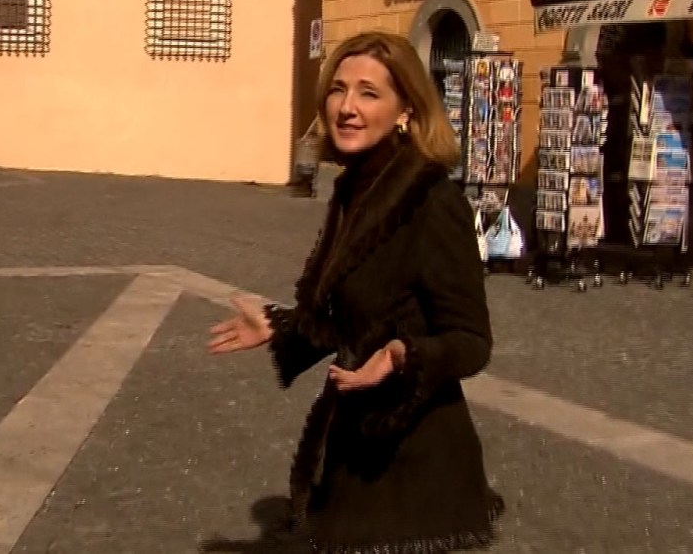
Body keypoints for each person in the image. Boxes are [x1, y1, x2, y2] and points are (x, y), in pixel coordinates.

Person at [207, 31, 504, 553]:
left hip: (414, 469)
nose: (347, 107)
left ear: (406, 109)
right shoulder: (355, 190)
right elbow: (349, 318)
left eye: (369, 93)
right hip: (356, 450)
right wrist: (278, 323)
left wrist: (402, 355)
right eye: (338, 89)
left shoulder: (429, 199)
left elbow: (472, 341)